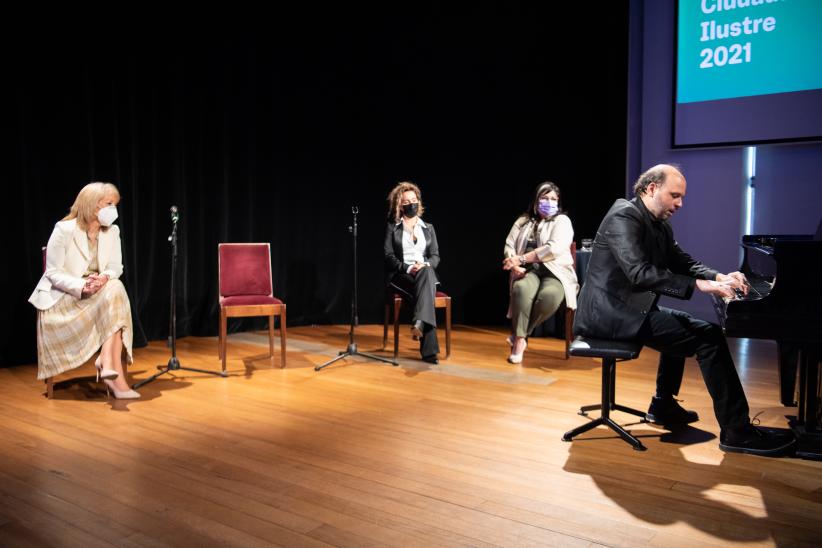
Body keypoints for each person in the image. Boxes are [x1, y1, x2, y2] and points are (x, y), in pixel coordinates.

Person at [573, 164, 794, 456]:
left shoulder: (658, 222)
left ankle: (663, 405)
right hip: (609, 314)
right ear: (651, 188)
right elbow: (640, 274)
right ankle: (737, 431)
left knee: (689, 326)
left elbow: (682, 261)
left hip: (630, 307)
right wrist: (700, 286)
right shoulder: (623, 216)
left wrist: (719, 277)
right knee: (708, 338)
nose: (680, 203)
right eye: (674, 195)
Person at [29, 182, 140, 399]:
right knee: (115, 295)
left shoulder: (112, 231)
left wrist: (103, 278)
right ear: (92, 204)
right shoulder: (64, 229)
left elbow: (116, 267)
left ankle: (107, 360)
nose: (113, 209)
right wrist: (82, 285)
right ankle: (115, 378)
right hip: (64, 297)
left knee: (115, 286)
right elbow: (52, 273)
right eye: (109, 203)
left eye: (115, 204)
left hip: (98, 295)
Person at [502, 182, 579, 363]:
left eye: (553, 199)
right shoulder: (523, 222)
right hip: (527, 271)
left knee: (550, 296)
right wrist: (514, 265)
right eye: (544, 198)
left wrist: (520, 259)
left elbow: (553, 249)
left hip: (556, 272)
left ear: (558, 203)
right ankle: (520, 341)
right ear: (536, 201)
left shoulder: (562, 221)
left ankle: (520, 335)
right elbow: (509, 245)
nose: (549, 202)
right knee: (521, 289)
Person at [384, 181, 441, 364]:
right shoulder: (393, 227)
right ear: (400, 205)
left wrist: (424, 265)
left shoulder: (428, 228)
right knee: (426, 288)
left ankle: (419, 323)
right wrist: (408, 267)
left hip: (424, 273)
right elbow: (388, 256)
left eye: (414, 200)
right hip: (402, 275)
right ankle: (428, 350)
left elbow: (435, 256)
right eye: (406, 201)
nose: (411, 203)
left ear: (419, 202)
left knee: (426, 274)